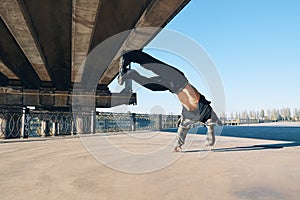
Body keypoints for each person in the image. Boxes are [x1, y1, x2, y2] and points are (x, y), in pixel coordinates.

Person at [117, 50, 222, 152]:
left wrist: (177, 145)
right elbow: (211, 125)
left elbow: (182, 130)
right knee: (154, 66)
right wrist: (210, 141)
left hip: (173, 87)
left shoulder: (187, 117)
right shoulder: (206, 111)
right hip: (179, 79)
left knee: (152, 86)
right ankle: (132, 55)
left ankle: (129, 74)